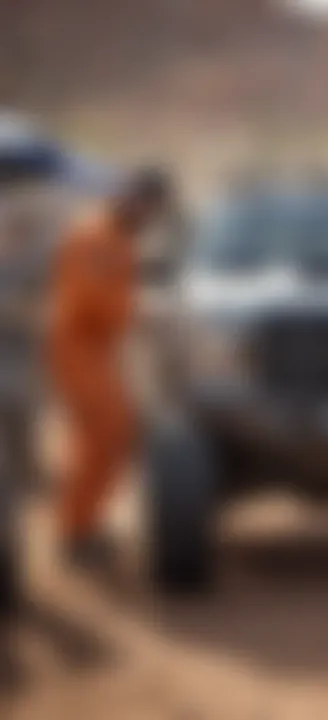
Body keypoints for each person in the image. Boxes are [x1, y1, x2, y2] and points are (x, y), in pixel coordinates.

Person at [48, 169, 170, 566]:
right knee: (103, 435)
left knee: (111, 435)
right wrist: (137, 311)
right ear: (133, 197)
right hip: (76, 346)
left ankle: (84, 524)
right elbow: (88, 298)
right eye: (147, 204)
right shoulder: (95, 236)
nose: (149, 215)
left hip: (96, 349)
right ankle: (75, 531)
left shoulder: (118, 239)